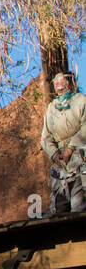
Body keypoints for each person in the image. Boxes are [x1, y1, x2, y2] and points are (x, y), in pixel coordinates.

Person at [41, 71, 86, 214]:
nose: (57, 83)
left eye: (61, 80)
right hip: (61, 161)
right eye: (55, 81)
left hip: (80, 154)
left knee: (79, 202)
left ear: (69, 82)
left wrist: (71, 148)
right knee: (59, 205)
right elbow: (45, 137)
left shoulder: (81, 100)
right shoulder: (51, 108)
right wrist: (55, 155)